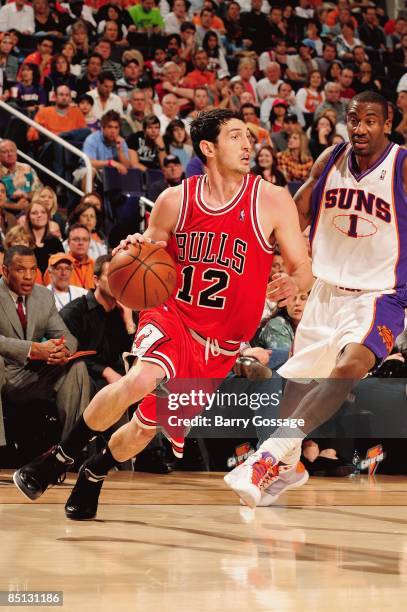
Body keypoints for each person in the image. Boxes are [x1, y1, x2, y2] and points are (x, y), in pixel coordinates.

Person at [13, 108, 313, 519]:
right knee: (142, 377)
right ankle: (57, 459)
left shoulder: (273, 200)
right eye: (236, 136)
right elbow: (147, 256)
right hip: (174, 316)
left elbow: (302, 266)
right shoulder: (175, 200)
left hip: (220, 346)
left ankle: (94, 472)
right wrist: (134, 247)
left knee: (145, 426)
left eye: (249, 137)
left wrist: (296, 282)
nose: (248, 145)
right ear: (208, 147)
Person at [225, 91, 407, 508]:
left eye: (371, 120)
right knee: (296, 389)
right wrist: (280, 264)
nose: (360, 128)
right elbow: (296, 215)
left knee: (347, 370)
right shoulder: (331, 159)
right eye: (354, 119)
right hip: (325, 290)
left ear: (388, 122)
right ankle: (290, 468)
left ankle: (266, 458)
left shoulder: (401, 164)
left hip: (380, 295)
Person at [0, 245, 90, 448]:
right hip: (3, 373)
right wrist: (33, 349)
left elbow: (66, 336)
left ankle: (71, 449)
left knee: (76, 366)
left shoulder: (43, 296)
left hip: (30, 377)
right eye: (21, 270)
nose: (29, 276)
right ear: (5, 271)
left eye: (33, 270)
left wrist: (62, 351)